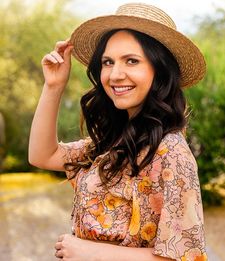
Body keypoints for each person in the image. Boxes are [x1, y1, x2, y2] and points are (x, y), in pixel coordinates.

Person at [28, 3, 208, 261]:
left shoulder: (171, 153)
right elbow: (42, 156)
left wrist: (90, 251)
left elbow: (187, 257)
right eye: (107, 62)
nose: (115, 74)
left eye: (131, 61)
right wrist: (54, 87)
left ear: (159, 70)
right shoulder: (111, 141)